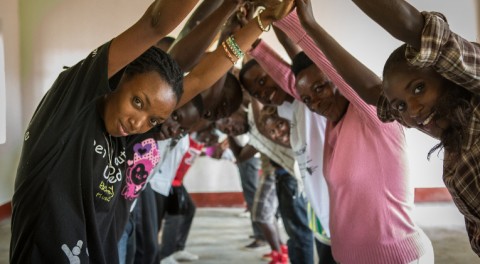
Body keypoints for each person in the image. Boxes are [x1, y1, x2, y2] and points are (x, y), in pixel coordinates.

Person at [10, 0, 295, 261]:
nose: (138, 122)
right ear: (119, 78)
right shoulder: (71, 106)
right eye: (137, 102)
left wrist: (262, 22)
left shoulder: (126, 136)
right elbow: (154, 25)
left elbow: (199, 78)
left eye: (153, 120)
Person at [271, 5, 434, 263]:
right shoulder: (333, 127)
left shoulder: (373, 118)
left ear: (337, 82)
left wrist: (296, 22)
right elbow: (289, 80)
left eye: (321, 87)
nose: (316, 101)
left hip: (394, 258)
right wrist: (251, 45)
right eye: (308, 98)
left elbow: (334, 68)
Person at [336, 0, 480, 255]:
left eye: (419, 88)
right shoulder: (454, 136)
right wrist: (309, 25)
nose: (413, 110)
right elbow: (373, 94)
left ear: (446, 73)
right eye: (401, 106)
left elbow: (419, 31)